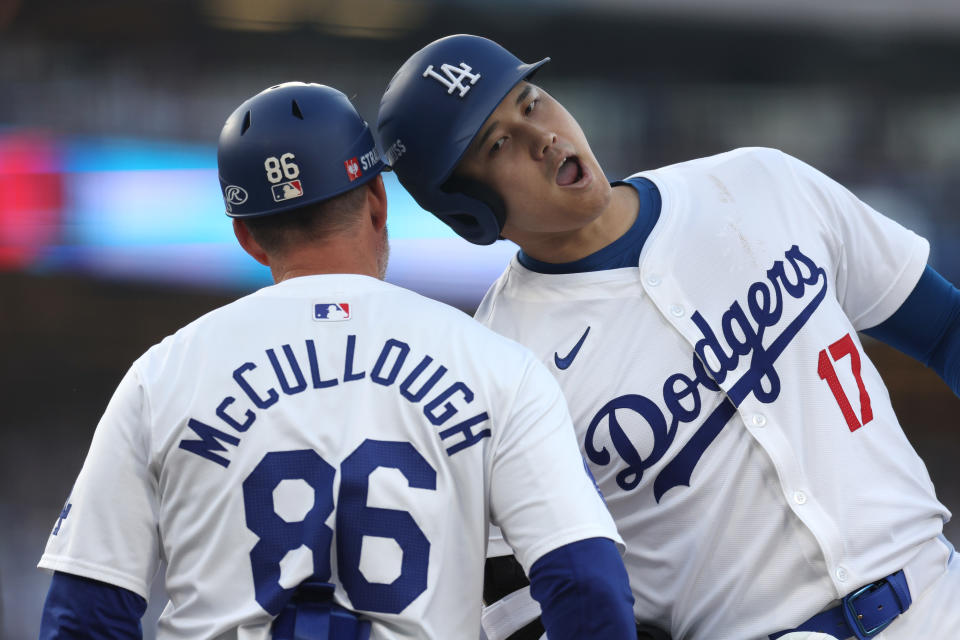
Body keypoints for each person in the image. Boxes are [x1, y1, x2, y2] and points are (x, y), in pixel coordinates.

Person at [377, 34, 960, 640]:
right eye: (499, 144)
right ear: (467, 210)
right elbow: (522, 611)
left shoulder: (762, 183)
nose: (543, 137)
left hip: (940, 592)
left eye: (530, 103)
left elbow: (946, 328)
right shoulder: (497, 366)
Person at [36, 81, 637, 640]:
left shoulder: (161, 375)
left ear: (247, 235)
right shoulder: (498, 368)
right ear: (377, 199)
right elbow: (586, 584)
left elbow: (84, 613)